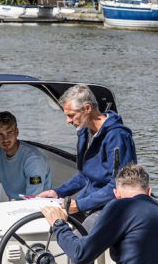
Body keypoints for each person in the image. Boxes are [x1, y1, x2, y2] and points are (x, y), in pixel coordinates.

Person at [40, 164, 158, 264]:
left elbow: (80, 255)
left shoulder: (120, 206)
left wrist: (59, 224)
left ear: (116, 194)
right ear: (149, 192)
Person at [37, 84, 136, 229]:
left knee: (78, 239)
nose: (68, 121)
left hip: (112, 205)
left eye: (71, 115)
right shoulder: (85, 132)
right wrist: (58, 192)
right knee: (47, 221)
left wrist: (80, 205)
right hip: (90, 200)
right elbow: (85, 175)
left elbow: (121, 185)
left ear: (88, 108)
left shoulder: (117, 136)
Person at [0, 111, 52, 237]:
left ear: (17, 132)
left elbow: (33, 201)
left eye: (9, 133)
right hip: (15, 209)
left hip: (39, 214)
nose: (5, 139)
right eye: (0, 134)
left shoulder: (33, 160)